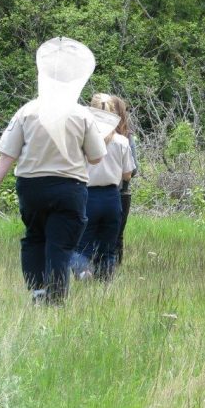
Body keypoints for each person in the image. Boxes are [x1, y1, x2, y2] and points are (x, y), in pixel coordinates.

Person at [0, 37, 107, 304]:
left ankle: (38, 292)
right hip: (69, 189)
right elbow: (96, 159)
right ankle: (56, 298)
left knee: (35, 237)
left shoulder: (26, 111)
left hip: (31, 187)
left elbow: (8, 154)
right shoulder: (82, 115)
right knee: (60, 244)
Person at [72, 93, 136, 281]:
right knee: (108, 248)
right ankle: (104, 285)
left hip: (87, 195)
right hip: (111, 197)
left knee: (81, 246)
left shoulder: (82, 140)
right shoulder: (122, 141)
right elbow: (128, 174)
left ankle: (84, 272)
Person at [109, 95, 137, 263]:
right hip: (121, 192)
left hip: (93, 190)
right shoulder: (127, 137)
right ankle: (112, 273)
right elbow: (133, 169)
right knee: (117, 236)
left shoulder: (91, 133)